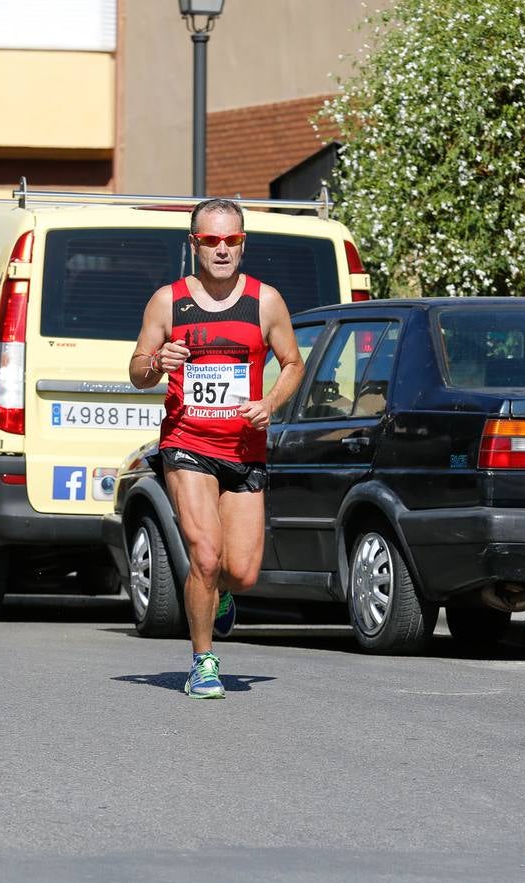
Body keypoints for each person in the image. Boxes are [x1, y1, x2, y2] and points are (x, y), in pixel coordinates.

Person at [128, 198, 305, 699]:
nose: (222, 249)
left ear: (243, 243)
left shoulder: (265, 301)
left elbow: (293, 363)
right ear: (195, 244)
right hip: (187, 443)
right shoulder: (168, 301)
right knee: (205, 556)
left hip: (245, 448)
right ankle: (203, 662)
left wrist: (270, 403)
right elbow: (138, 371)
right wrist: (158, 361)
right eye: (211, 240)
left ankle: (222, 596)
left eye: (231, 240)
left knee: (241, 572)